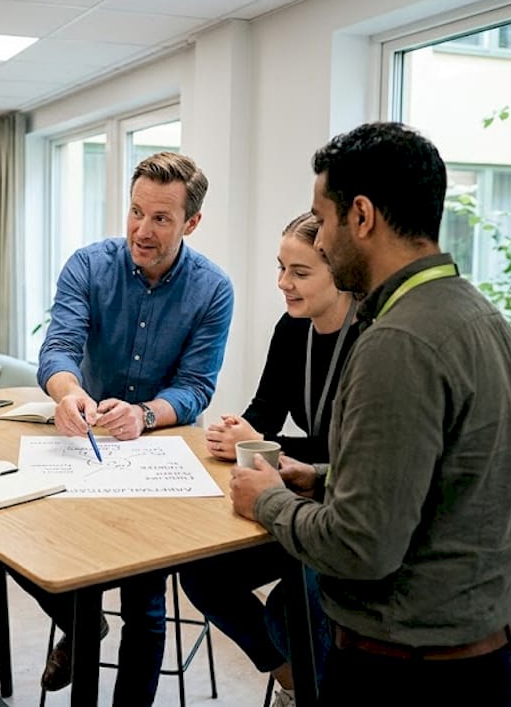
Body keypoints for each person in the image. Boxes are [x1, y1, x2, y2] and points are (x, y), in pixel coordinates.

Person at [232, 121, 511, 706]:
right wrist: (319, 478)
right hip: (484, 654)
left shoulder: (397, 342)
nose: (318, 242)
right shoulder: (481, 316)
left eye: (322, 222)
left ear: (362, 217)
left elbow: (359, 548)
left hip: (410, 676)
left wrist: (267, 500)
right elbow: (442, 479)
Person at [27, 151, 235, 704]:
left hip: (155, 458)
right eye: (136, 212)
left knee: (144, 605)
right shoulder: (88, 266)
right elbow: (60, 347)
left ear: (191, 223)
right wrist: (69, 393)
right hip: (83, 442)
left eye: (161, 218)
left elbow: (195, 388)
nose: (142, 230)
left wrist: (143, 415)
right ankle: (82, 620)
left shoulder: (213, 290)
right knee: (26, 548)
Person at [181, 211, 360, 706]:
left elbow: (347, 456)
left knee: (294, 606)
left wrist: (266, 440)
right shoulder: (292, 327)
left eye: (300, 273)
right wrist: (235, 430)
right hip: (298, 494)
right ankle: (292, 681)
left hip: (341, 508)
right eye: (281, 268)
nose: (284, 283)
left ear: (340, 272)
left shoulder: (373, 341)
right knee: (202, 575)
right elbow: (264, 409)